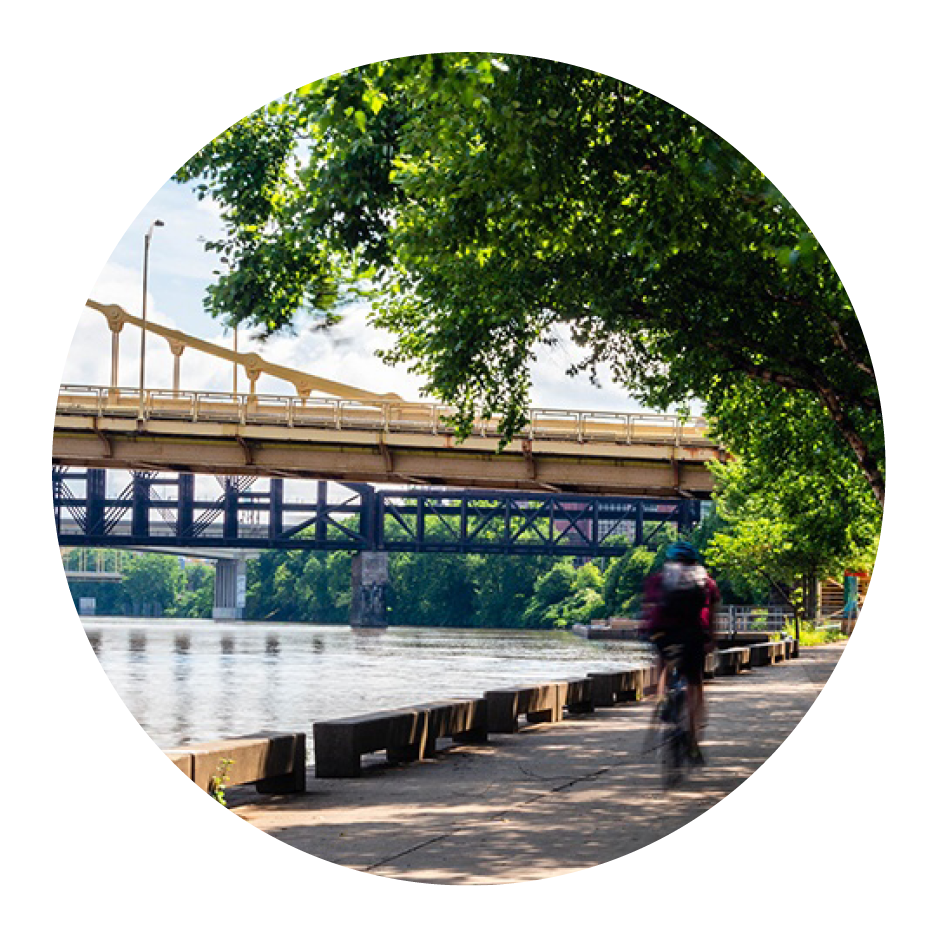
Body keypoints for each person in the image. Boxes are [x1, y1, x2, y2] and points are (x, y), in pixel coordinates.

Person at [642, 541, 720, 761]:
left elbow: (649, 610)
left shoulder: (659, 579)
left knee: (663, 660)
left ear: (671, 560)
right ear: (695, 561)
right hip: (693, 634)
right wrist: (712, 640)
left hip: (662, 632)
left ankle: (662, 697)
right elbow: (712, 615)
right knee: (696, 685)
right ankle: (694, 741)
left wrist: (649, 632)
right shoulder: (706, 581)